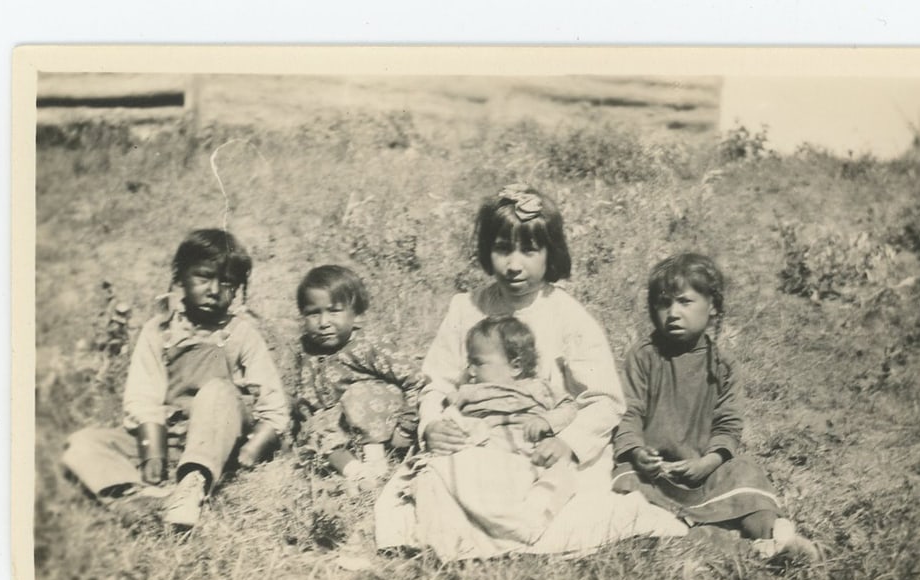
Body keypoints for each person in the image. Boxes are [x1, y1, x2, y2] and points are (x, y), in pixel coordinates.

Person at [374, 184, 687, 560]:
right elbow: (437, 382)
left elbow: (604, 400)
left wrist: (567, 443)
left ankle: (515, 529)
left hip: (539, 443)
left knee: (562, 498)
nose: (514, 264)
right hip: (478, 438)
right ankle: (465, 535)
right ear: (487, 251)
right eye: (502, 249)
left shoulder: (566, 315)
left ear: (550, 253)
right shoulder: (466, 308)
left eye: (529, 250)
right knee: (436, 480)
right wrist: (431, 425)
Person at [61, 229, 289, 528]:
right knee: (83, 442)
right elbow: (143, 396)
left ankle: (193, 485)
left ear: (237, 290)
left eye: (227, 283)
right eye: (203, 277)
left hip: (219, 441)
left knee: (217, 390)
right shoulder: (159, 331)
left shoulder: (241, 334)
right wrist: (152, 453)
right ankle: (137, 498)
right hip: (170, 437)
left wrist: (253, 448)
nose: (214, 290)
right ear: (181, 277)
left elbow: (273, 405)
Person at [611, 252, 819, 560]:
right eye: (663, 303)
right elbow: (629, 412)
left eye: (685, 301)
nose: (673, 313)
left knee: (745, 472)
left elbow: (728, 425)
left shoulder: (723, 366)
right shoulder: (643, 357)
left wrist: (708, 463)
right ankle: (731, 545)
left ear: (713, 307)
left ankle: (774, 535)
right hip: (653, 475)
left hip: (705, 474)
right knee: (625, 483)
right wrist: (638, 453)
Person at [417, 315, 580, 548]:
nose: (471, 370)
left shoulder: (539, 388)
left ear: (515, 366)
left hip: (528, 450)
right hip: (487, 449)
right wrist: (451, 417)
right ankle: (455, 529)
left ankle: (530, 522)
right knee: (443, 472)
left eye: (478, 363)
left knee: (563, 474)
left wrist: (547, 420)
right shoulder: (469, 390)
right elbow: (448, 407)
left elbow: (569, 407)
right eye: (469, 363)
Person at [293, 265, 426, 494]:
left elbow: (415, 379)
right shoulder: (307, 349)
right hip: (340, 427)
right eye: (313, 313)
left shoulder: (368, 345)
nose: (323, 322)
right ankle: (357, 473)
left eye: (334, 311)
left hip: (383, 422)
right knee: (315, 428)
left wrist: (406, 428)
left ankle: (376, 462)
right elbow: (306, 395)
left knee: (358, 395)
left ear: (355, 312)